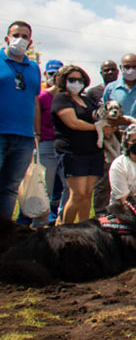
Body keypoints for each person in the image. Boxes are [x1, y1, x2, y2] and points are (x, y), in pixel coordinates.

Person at [96, 53, 136, 215]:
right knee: (107, 179)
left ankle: (135, 213)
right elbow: (102, 111)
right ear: (121, 68)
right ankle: (103, 214)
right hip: (112, 139)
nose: (130, 70)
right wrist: (113, 126)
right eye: (127, 67)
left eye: (134, 67)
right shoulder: (111, 88)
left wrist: (131, 124)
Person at [51, 65, 108, 224]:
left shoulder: (87, 99)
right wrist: (97, 128)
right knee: (78, 194)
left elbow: (100, 117)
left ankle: (84, 227)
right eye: (72, 79)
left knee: (88, 194)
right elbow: (73, 122)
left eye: (80, 80)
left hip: (93, 152)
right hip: (72, 153)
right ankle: (65, 228)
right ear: (64, 80)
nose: (76, 83)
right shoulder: (61, 99)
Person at [0, 21, 41, 220]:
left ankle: (3, 232)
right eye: (16, 35)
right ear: (7, 38)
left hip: (24, 137)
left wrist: (37, 133)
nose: (20, 40)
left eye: (25, 37)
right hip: (1, 133)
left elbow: (35, 101)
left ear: (30, 42)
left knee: (10, 188)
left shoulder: (33, 67)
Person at [34, 61, 62, 225]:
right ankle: (38, 224)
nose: (55, 77)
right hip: (46, 144)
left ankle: (56, 220)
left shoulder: (67, 97)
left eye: (58, 74)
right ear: (46, 74)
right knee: (44, 187)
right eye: (52, 74)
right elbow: (36, 119)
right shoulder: (42, 96)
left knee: (62, 188)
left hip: (64, 145)